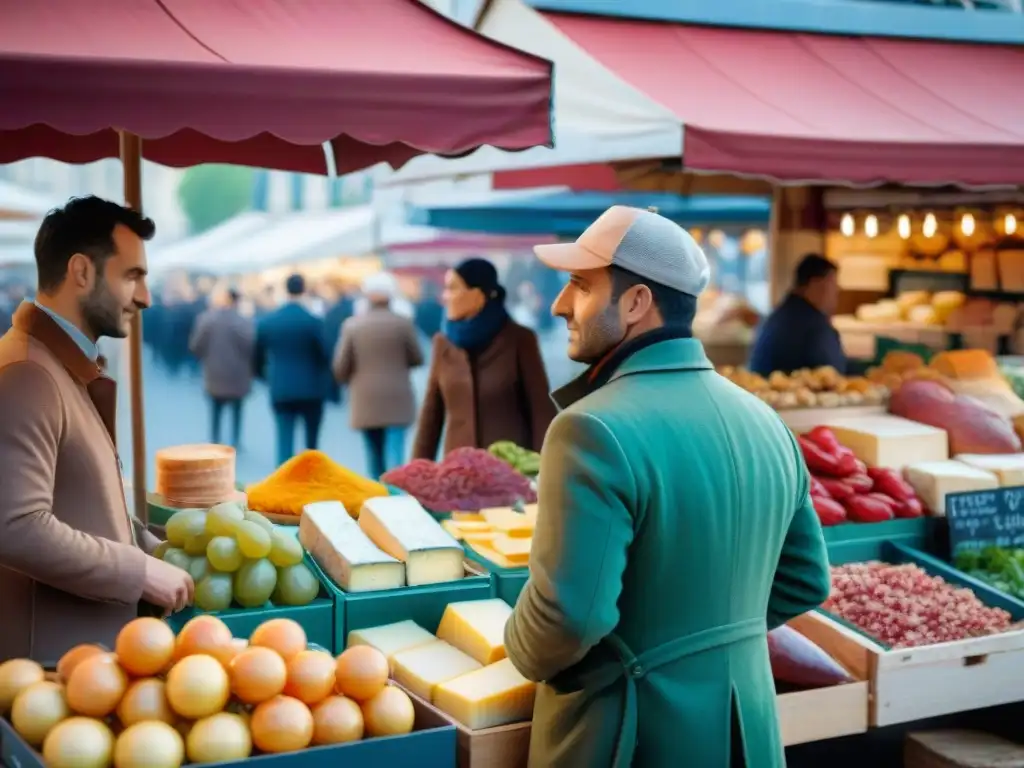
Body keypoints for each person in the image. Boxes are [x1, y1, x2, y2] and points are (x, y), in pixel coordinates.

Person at [504, 206, 831, 767]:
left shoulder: (590, 427)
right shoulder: (766, 420)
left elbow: (567, 621)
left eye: (581, 285)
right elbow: (805, 581)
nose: (560, 304)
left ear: (636, 303)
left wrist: (514, 644)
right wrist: (705, 636)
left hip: (631, 735)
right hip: (745, 731)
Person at [0, 196, 194, 664]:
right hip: (51, 667)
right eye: (132, 276)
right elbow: (15, 526)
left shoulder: (53, 364)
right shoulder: (29, 372)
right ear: (81, 272)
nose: (145, 297)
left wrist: (151, 548)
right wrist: (137, 571)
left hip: (75, 658)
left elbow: (77, 500)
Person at [412, 258, 555, 460]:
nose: (445, 297)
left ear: (477, 295)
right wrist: (414, 474)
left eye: (452, 289)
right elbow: (430, 418)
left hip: (511, 471)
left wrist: (544, 470)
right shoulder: (443, 344)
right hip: (458, 473)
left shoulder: (520, 340)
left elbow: (541, 410)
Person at [333, 272, 423, 478]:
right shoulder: (403, 323)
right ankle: (395, 496)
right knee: (396, 455)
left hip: (366, 399)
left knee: (374, 454)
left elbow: (340, 367)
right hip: (398, 397)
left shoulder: (352, 325)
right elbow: (417, 358)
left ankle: (376, 496)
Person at [254, 273, 333, 466]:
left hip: (281, 387)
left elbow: (256, 356)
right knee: (311, 445)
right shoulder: (313, 321)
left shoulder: (268, 321)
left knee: (284, 439)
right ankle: (311, 482)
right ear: (303, 289)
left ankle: (284, 483)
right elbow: (325, 355)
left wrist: (265, 377)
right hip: (312, 388)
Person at [748, 253, 846, 376]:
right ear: (815, 283)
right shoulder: (814, 325)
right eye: (833, 283)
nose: (837, 289)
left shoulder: (778, 315)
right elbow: (833, 373)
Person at [190, 287, 255, 448]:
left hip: (214, 373)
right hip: (238, 374)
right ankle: (236, 440)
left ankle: (215, 439)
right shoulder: (244, 321)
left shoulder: (207, 319)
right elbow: (252, 347)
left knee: (216, 408)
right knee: (237, 408)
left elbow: (195, 346)